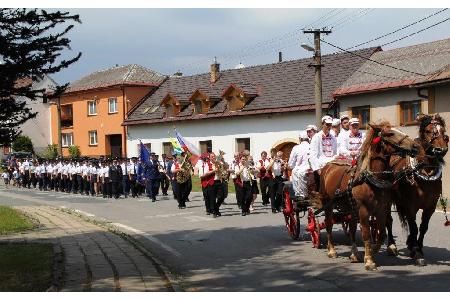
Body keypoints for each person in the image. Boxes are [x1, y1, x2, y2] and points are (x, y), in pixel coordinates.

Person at [291, 131, 312, 199]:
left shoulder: (296, 148)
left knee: (294, 171)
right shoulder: (312, 146)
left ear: (300, 139)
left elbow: (291, 163)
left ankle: (300, 194)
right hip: (313, 168)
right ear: (308, 139)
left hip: (302, 169)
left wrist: (290, 166)